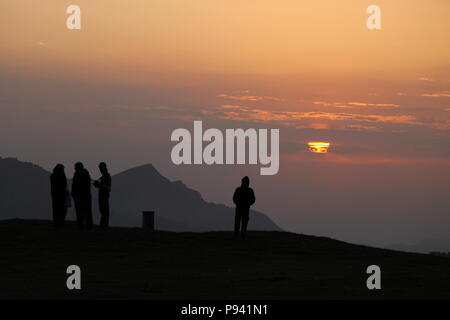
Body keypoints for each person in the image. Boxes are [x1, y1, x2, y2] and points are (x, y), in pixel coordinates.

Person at [71, 162, 93, 230]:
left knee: (81, 212)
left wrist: (74, 193)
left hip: (81, 196)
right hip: (84, 196)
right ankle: (87, 226)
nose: (75, 169)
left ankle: (82, 226)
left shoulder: (79, 174)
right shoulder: (85, 173)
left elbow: (75, 185)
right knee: (85, 212)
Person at [93, 162, 111, 228]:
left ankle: (104, 225)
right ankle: (103, 225)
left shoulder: (106, 176)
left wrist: (99, 185)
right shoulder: (104, 176)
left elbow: (107, 187)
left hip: (104, 195)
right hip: (103, 195)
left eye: (100, 168)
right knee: (103, 211)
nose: (100, 169)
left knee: (104, 210)